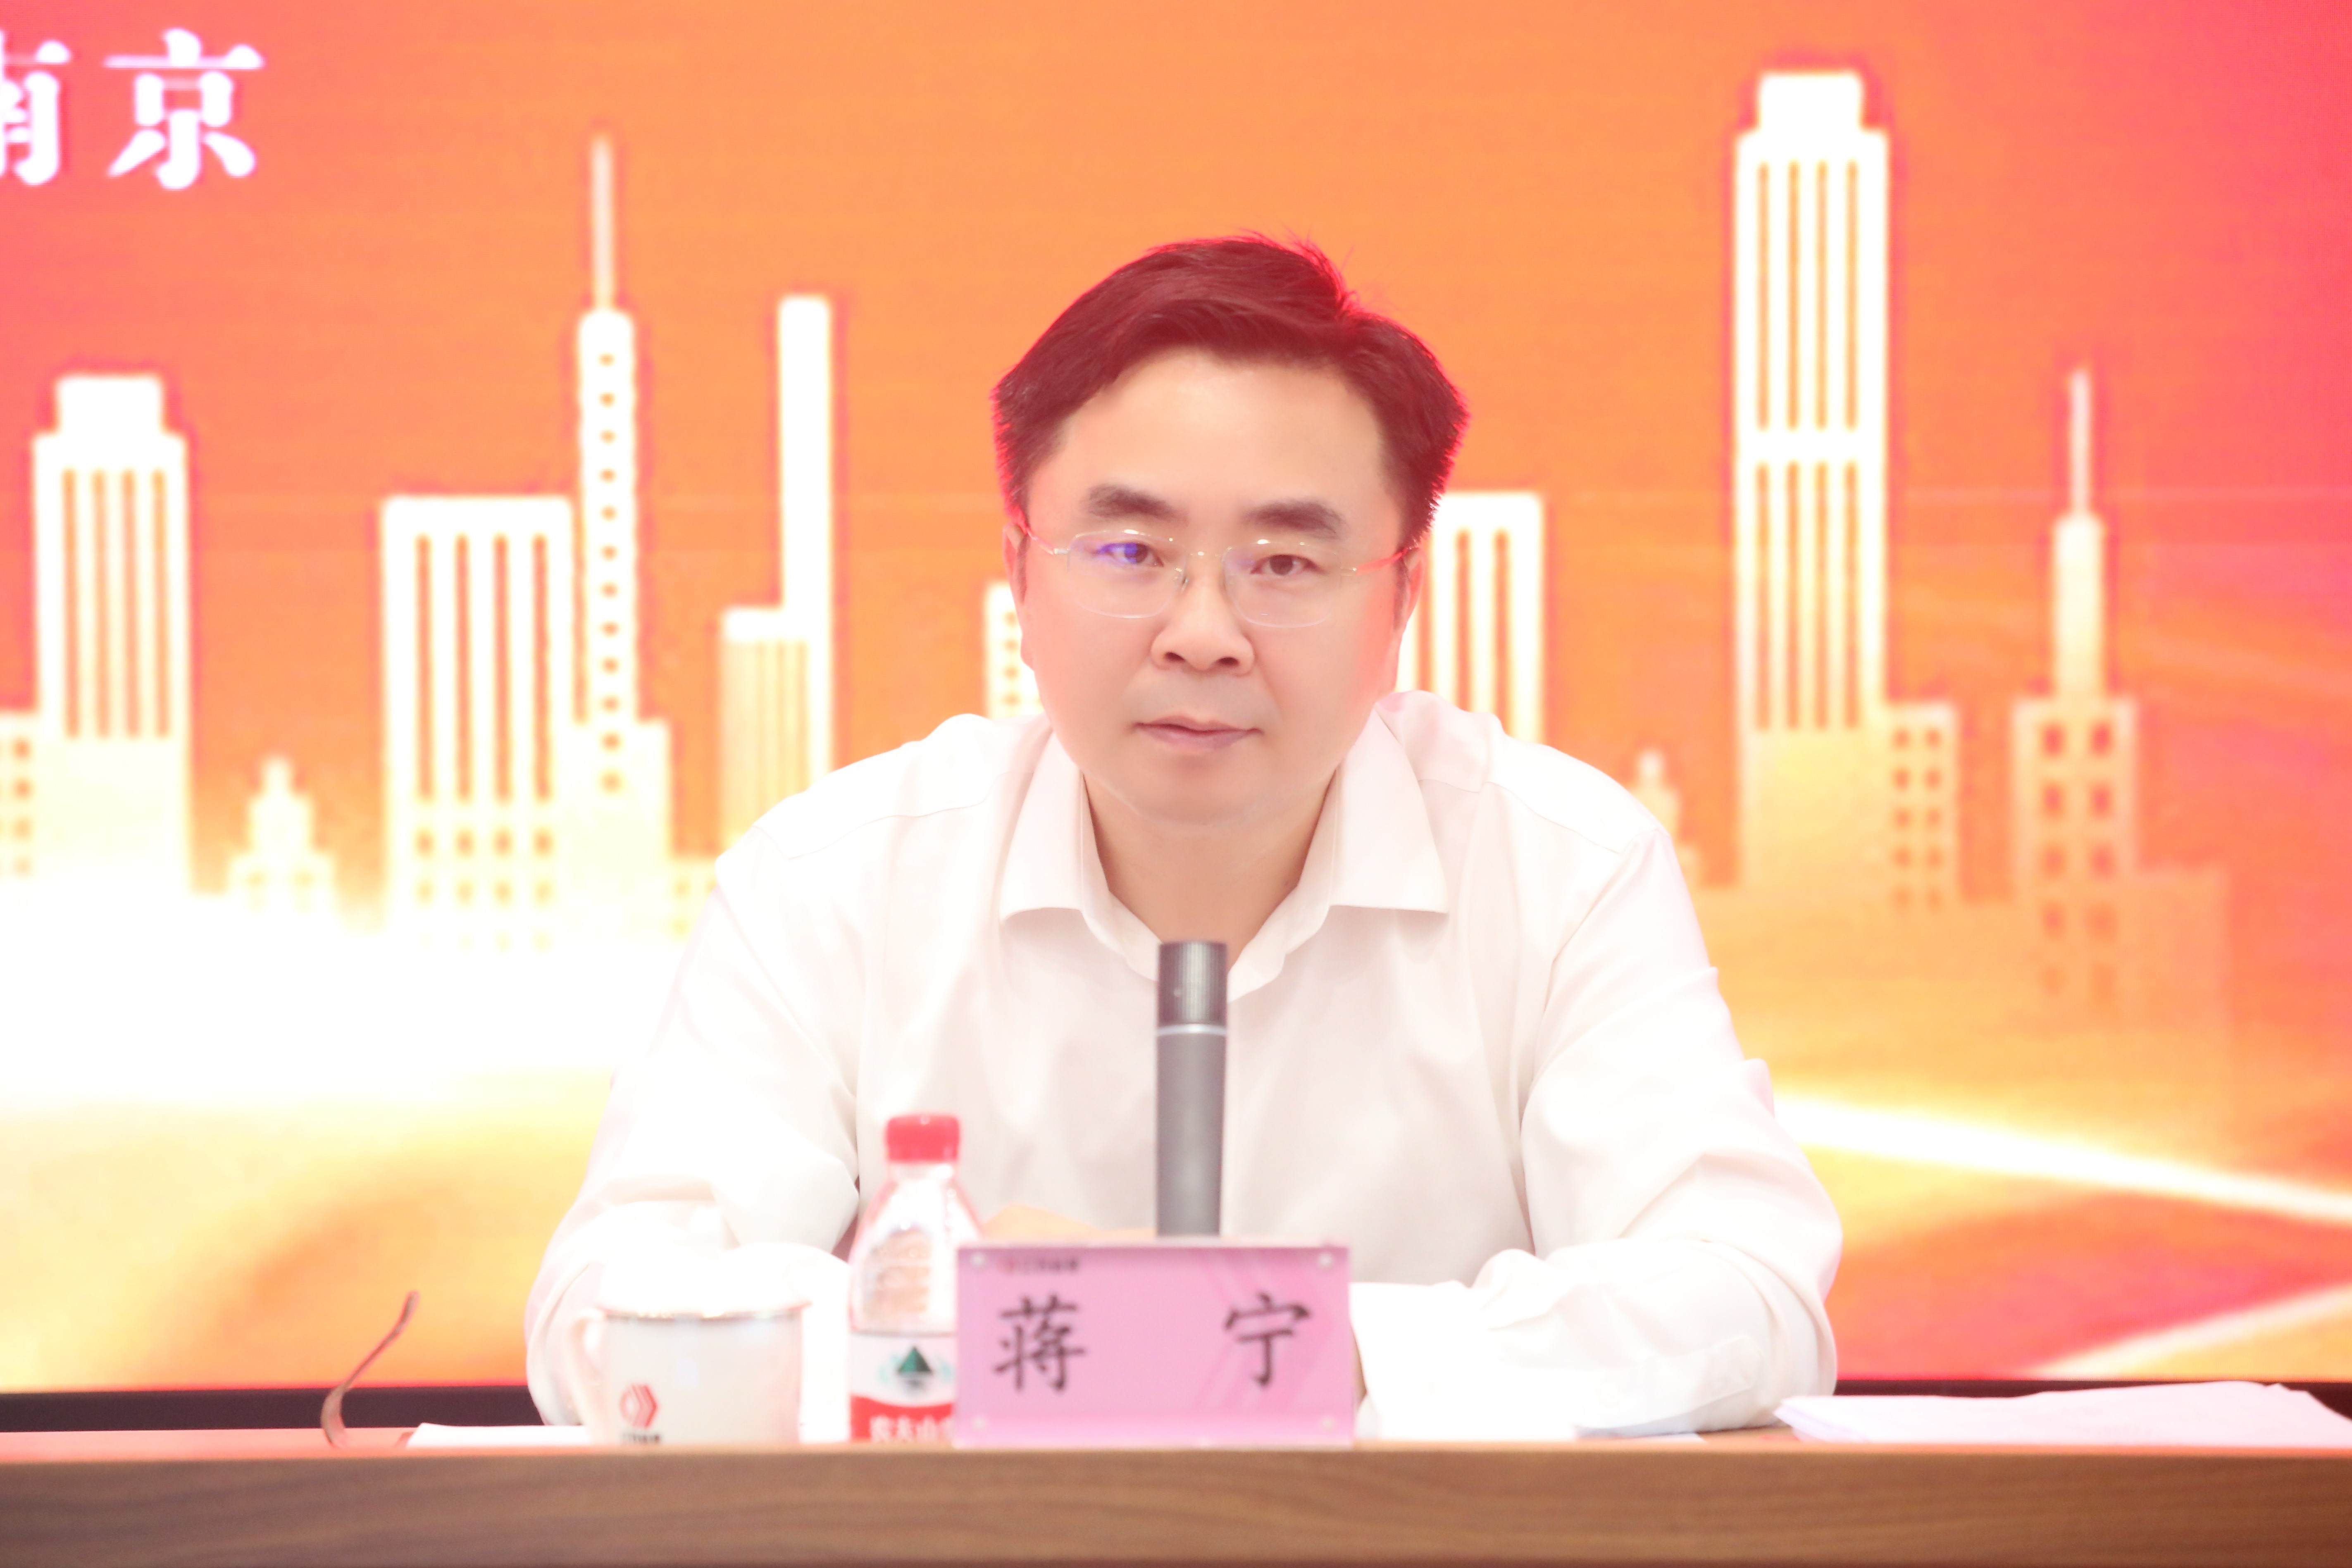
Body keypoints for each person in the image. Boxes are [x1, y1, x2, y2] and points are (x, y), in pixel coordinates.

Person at [527, 236, 1840, 1439]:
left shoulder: (1558, 868)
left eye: (1284, 563)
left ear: (1403, 594)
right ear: (1019, 572)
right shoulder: (836, 880)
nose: (1202, 633)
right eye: (1127, 550)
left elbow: (1747, 1294)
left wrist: (1189, 1338)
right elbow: (606, 1311)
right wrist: (1078, 1336)